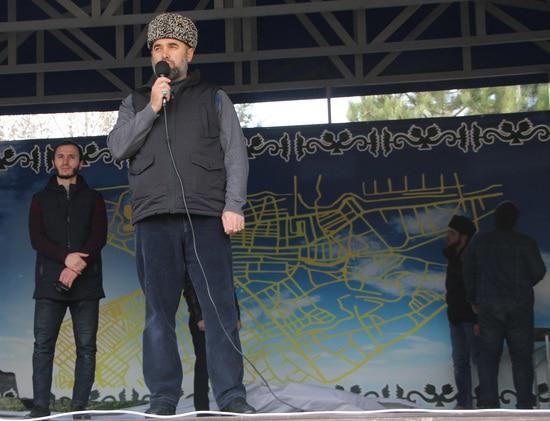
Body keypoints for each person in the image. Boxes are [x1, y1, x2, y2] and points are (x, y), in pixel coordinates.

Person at [107, 12, 255, 415]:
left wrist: (233, 205)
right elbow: (118, 147)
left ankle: (231, 397)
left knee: (220, 310)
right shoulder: (135, 101)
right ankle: (163, 399)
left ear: (189, 53)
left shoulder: (214, 97)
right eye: (157, 47)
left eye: (173, 46)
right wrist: (152, 108)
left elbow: (235, 154)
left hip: (206, 217)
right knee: (158, 315)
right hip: (154, 219)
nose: (164, 53)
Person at [28, 141, 107, 419]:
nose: (65, 161)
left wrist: (75, 267)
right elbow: (37, 239)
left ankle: (79, 407)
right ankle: (40, 407)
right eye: (60, 156)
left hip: (86, 283)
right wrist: (66, 258)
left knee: (86, 348)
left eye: (72, 157)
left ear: (81, 162)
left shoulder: (94, 198)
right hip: (49, 283)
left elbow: (99, 237)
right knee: (43, 347)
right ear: (53, 162)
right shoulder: (39, 198)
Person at [464, 201, 546, 409]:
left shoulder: (479, 241)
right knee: (522, 358)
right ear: (515, 221)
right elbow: (538, 271)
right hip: (520, 307)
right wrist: (523, 285)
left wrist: (474, 299)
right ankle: (525, 406)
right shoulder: (526, 242)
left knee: (488, 358)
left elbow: (468, 272)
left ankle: (489, 407)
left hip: (488, 306)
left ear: (495, 219)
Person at [183, 274, 241, 412]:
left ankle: (228, 405)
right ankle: (202, 409)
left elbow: (230, 289)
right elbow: (190, 290)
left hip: (224, 317)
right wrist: (198, 317)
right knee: (204, 363)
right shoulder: (193, 264)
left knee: (227, 361)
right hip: (203, 319)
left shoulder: (220, 266)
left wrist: (236, 316)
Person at [443, 215, 479, 409]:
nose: (448, 236)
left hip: (472, 318)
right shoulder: (453, 256)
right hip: (456, 317)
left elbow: (478, 289)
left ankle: (487, 403)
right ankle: (464, 404)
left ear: (464, 236)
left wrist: (479, 319)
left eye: (452, 233)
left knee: (479, 360)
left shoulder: (474, 258)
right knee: (459, 362)